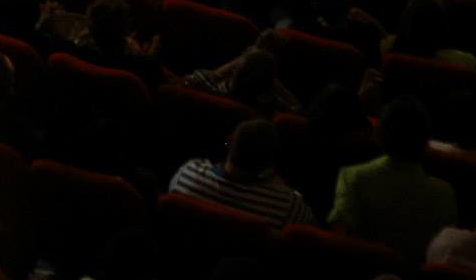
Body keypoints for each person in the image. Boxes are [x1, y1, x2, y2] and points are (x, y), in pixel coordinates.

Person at [329, 96, 458, 265]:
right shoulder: (444, 194)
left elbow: (339, 237)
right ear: (425, 141)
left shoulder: (353, 177)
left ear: (380, 134)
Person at [169, 117, 314, 228]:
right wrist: (283, 189)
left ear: (229, 142)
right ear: (269, 165)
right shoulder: (288, 206)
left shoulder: (188, 175)